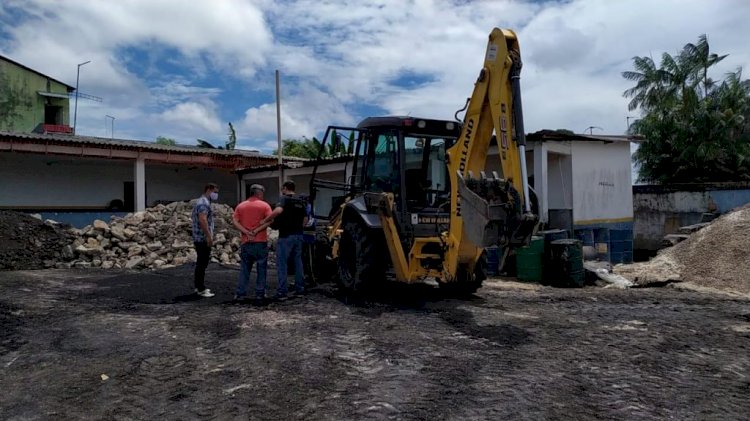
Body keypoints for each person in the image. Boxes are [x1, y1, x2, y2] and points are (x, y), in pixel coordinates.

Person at [262, 180, 308, 300]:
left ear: (285, 188)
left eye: (282, 188)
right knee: (298, 263)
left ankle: (282, 291)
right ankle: (300, 289)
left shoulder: (284, 200)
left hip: (286, 236)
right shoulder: (300, 202)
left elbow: (278, 211)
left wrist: (266, 220)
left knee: (282, 264)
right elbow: (305, 220)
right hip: (298, 236)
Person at [232, 184, 273, 305]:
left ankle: (240, 293)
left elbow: (234, 221)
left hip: (246, 242)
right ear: (259, 194)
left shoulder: (241, 206)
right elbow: (270, 220)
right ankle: (260, 293)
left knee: (245, 269)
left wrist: (246, 232)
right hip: (260, 241)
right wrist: (256, 231)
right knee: (261, 268)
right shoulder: (264, 205)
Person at [191, 183, 219, 298]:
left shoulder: (203, 202)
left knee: (201, 263)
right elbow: (203, 220)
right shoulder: (203, 203)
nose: (216, 195)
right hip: (202, 238)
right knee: (202, 263)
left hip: (199, 238)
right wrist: (209, 236)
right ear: (209, 190)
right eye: (215, 192)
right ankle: (200, 288)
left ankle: (199, 286)